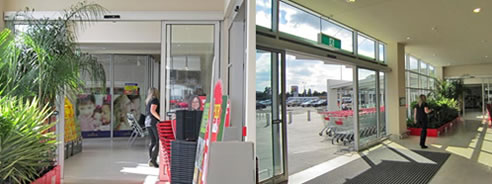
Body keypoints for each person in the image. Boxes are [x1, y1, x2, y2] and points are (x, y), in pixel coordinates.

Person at [145, 88, 161, 168]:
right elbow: (153, 111)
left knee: (153, 141)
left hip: (147, 122)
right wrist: (160, 118)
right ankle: (153, 160)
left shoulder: (148, 100)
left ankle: (151, 159)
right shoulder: (155, 100)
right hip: (153, 122)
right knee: (158, 141)